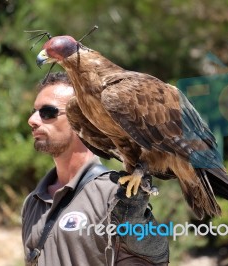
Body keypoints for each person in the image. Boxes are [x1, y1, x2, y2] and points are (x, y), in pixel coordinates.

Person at [22, 72, 169, 265]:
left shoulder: (115, 193)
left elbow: (155, 258)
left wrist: (148, 244)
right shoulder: (33, 202)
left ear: (81, 118)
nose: (32, 120)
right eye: (34, 111)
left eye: (47, 112)